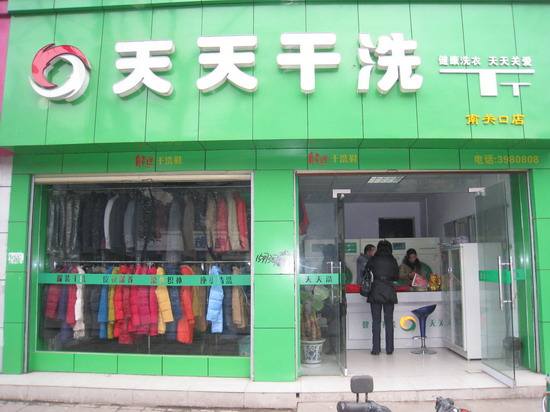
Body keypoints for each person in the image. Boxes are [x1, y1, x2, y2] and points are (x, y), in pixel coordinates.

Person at [366, 240, 399, 355]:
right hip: (389, 290)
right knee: (389, 321)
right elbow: (397, 276)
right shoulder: (393, 260)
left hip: (375, 290)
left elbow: (365, 273)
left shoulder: (373, 259)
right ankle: (389, 349)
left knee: (376, 321)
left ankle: (376, 349)